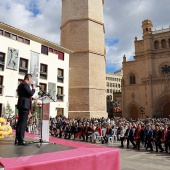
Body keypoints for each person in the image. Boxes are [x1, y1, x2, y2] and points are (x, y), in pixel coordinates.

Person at [15, 74, 35, 145]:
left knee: (20, 122)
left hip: (21, 104)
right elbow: (30, 93)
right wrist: (33, 88)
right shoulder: (25, 85)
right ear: (28, 79)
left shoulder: (21, 85)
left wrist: (32, 99)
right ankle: (21, 140)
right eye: (31, 80)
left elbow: (25, 95)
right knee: (23, 123)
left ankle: (17, 139)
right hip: (24, 106)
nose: (31, 81)